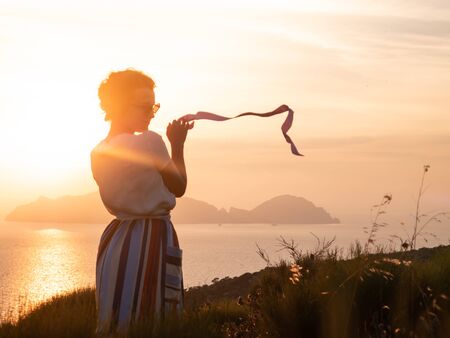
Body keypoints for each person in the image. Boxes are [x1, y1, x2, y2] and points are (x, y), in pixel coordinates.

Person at [90, 68, 194, 335]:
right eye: (144, 107)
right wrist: (178, 145)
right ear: (120, 106)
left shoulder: (98, 152)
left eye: (153, 106)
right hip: (153, 238)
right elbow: (179, 186)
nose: (151, 113)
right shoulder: (150, 143)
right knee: (156, 317)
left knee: (117, 316)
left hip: (116, 242)